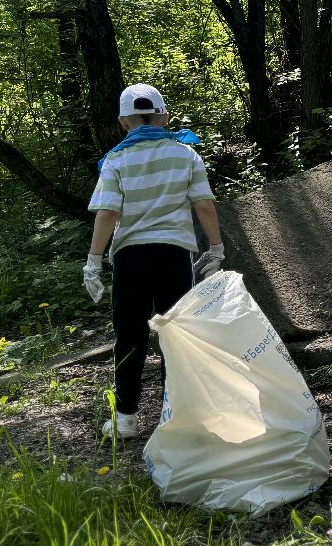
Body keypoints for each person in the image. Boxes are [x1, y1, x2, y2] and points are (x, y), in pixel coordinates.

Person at [84, 84, 226, 438]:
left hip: (130, 256)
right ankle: (174, 416)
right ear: (164, 117)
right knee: (174, 335)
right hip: (174, 255)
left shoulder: (116, 159)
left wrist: (94, 260)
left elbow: (108, 213)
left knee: (130, 336)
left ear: (122, 121)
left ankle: (126, 419)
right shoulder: (185, 155)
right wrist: (216, 247)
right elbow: (204, 204)